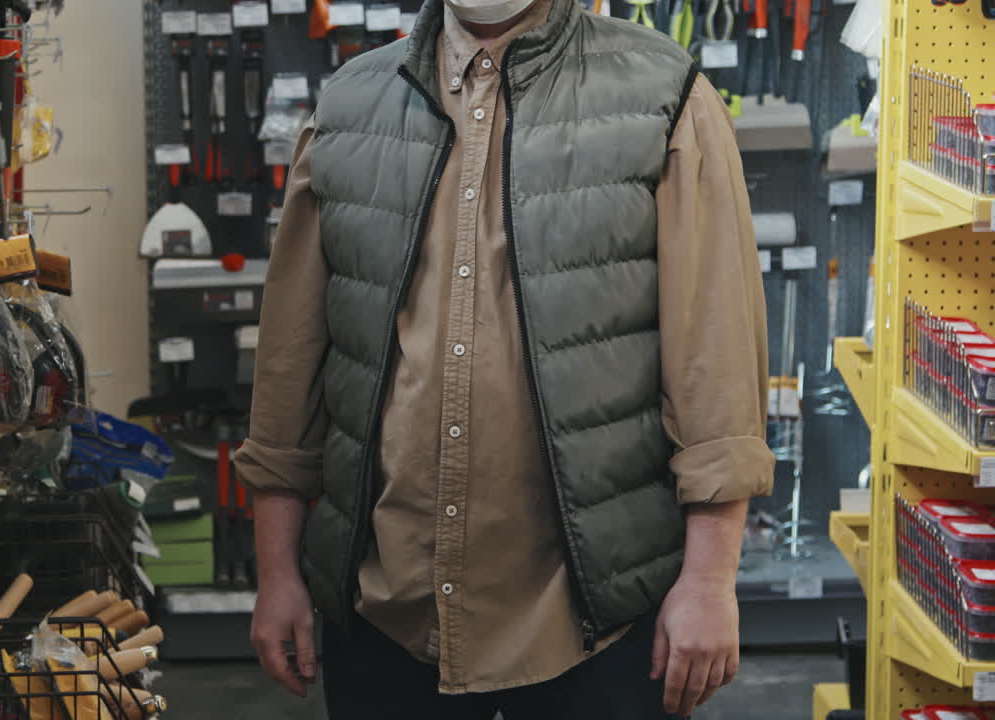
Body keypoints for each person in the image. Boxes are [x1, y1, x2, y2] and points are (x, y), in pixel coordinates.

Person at [234, 0, 773, 715]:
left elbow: (716, 360)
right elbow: (288, 367)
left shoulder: (663, 96)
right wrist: (279, 573)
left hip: (593, 620)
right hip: (385, 611)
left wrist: (708, 580)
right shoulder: (347, 107)